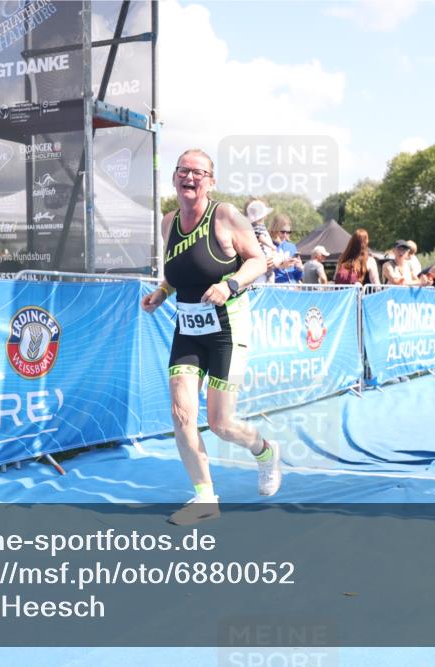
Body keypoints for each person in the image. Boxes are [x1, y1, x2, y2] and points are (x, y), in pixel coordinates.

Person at [141, 149, 280, 525]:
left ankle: (265, 451)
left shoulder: (225, 215)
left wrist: (229, 284)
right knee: (181, 413)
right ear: (174, 178)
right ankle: (205, 497)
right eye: (184, 171)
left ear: (211, 181)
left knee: (220, 423)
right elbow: (182, 269)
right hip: (188, 330)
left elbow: (256, 260)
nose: (190, 178)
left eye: (199, 173)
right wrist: (162, 292)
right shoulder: (168, 222)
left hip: (227, 331)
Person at [245, 199, 278, 284]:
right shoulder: (253, 230)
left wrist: (274, 259)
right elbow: (261, 237)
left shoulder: (259, 229)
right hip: (255, 278)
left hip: (262, 276)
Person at [268, 214, 304, 283]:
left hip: (291, 288)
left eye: (288, 232)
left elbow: (297, 277)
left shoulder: (292, 247)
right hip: (275, 288)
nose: (285, 235)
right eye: (282, 231)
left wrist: (300, 268)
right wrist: (282, 265)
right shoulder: (268, 246)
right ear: (274, 230)